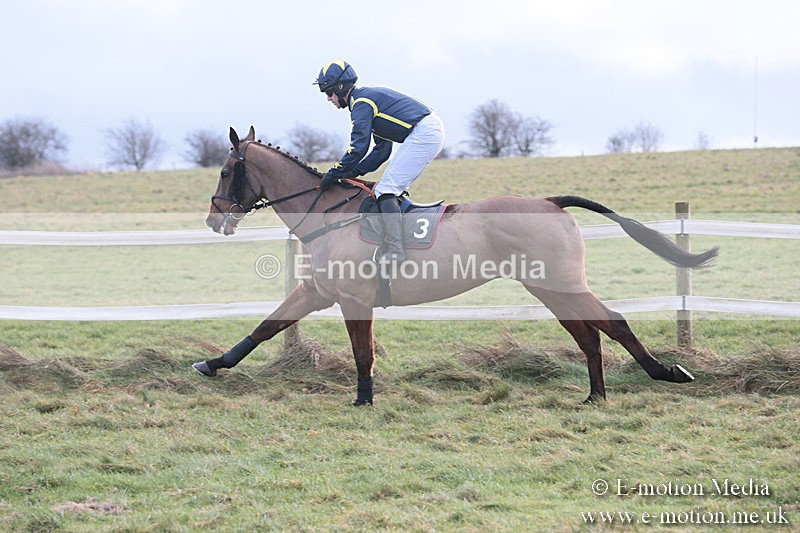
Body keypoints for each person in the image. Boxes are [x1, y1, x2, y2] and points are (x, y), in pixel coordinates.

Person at [314, 60, 444, 263]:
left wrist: (335, 173)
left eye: (328, 92)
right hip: (426, 130)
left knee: (386, 189)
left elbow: (358, 147)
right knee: (386, 188)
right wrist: (352, 172)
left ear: (340, 87)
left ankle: (396, 252)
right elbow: (382, 151)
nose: (328, 99)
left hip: (425, 132)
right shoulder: (364, 100)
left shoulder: (361, 103)